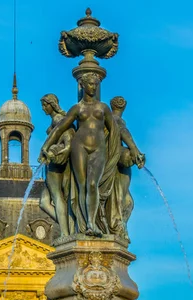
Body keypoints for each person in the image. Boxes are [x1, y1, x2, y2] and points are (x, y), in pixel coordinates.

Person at [41, 72, 118, 236]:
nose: (94, 87)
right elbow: (60, 128)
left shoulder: (103, 108)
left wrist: (114, 154)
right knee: (81, 185)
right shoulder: (77, 108)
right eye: (90, 84)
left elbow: (115, 132)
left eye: (95, 85)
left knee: (92, 185)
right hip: (79, 146)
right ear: (82, 85)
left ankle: (93, 222)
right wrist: (46, 146)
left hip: (99, 148)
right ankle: (88, 224)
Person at [108, 96, 145, 239]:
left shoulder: (110, 119)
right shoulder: (115, 120)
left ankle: (119, 226)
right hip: (113, 162)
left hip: (115, 162)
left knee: (127, 201)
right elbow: (123, 132)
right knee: (122, 199)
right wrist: (134, 149)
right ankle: (116, 226)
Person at [38, 94, 74, 236]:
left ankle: (66, 233)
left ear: (51, 104)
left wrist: (55, 153)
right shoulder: (57, 119)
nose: (43, 108)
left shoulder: (58, 119)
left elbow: (69, 140)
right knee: (44, 202)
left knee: (57, 197)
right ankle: (69, 228)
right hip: (54, 161)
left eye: (44, 105)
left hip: (57, 162)